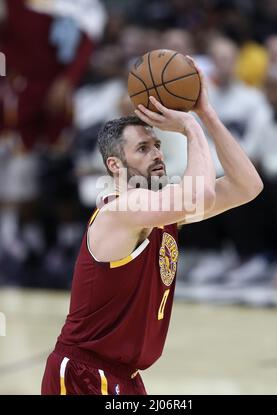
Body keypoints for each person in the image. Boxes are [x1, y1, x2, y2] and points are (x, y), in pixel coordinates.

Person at [41, 59, 263, 395]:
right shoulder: (122, 209)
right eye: (143, 148)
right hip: (85, 375)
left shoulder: (161, 210)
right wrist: (191, 128)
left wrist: (207, 114)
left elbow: (248, 186)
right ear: (115, 165)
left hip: (125, 376)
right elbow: (199, 194)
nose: (157, 153)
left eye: (157, 144)